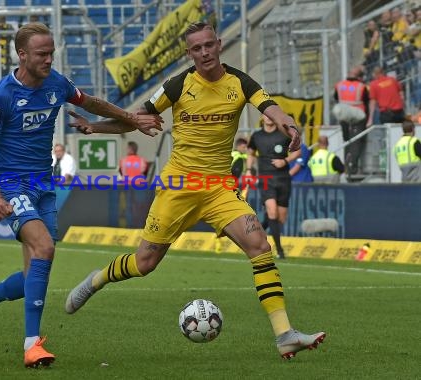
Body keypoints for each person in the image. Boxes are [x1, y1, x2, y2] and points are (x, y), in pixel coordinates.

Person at [65, 22, 325, 360]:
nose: (204, 53)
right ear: (189, 53)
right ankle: (96, 280)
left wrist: (290, 124)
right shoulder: (177, 85)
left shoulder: (240, 82)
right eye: (196, 49)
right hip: (179, 186)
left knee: (259, 245)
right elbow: (136, 118)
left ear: (218, 44)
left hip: (218, 187)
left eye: (208, 45)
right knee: (145, 263)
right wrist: (94, 128)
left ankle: (284, 334)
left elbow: (270, 107)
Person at [0, 22, 161, 368]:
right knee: (44, 247)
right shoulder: (0, 95)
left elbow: (93, 103)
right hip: (13, 185)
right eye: (42, 53)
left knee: (33, 278)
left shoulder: (57, 83)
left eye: (52, 52)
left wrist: (132, 118)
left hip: (45, 184)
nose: (49, 58)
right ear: (22, 54)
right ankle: (32, 345)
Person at [247, 115, 301, 259]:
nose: (269, 118)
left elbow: (297, 151)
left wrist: (285, 160)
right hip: (265, 178)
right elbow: (251, 153)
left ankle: (257, 233)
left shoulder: (284, 134)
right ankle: (279, 251)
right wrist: (248, 170)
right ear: (262, 117)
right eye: (265, 115)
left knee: (280, 218)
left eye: (271, 115)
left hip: (283, 179)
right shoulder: (256, 136)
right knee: (272, 212)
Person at [333, 66, 369, 176]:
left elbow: (336, 98)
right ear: (359, 77)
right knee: (357, 140)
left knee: (346, 140)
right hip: (358, 115)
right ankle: (353, 166)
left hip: (343, 115)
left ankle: (347, 162)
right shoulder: (361, 86)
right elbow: (366, 101)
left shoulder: (339, 85)